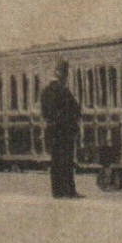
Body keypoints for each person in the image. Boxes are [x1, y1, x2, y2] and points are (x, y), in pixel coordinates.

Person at [39, 60, 82, 198]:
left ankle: (57, 192)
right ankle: (69, 191)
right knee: (67, 161)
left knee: (55, 161)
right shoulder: (63, 91)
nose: (67, 76)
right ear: (62, 73)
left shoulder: (45, 91)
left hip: (52, 131)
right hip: (64, 131)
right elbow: (75, 109)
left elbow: (45, 113)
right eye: (66, 72)